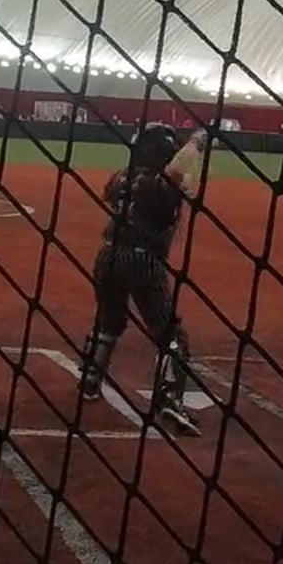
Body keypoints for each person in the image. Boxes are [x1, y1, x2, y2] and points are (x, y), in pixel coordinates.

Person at [77, 121, 210, 437]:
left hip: (107, 257)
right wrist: (196, 143)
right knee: (171, 335)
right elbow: (175, 176)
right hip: (142, 262)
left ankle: (90, 380)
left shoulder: (120, 178)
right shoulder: (160, 184)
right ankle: (170, 400)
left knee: (109, 322)